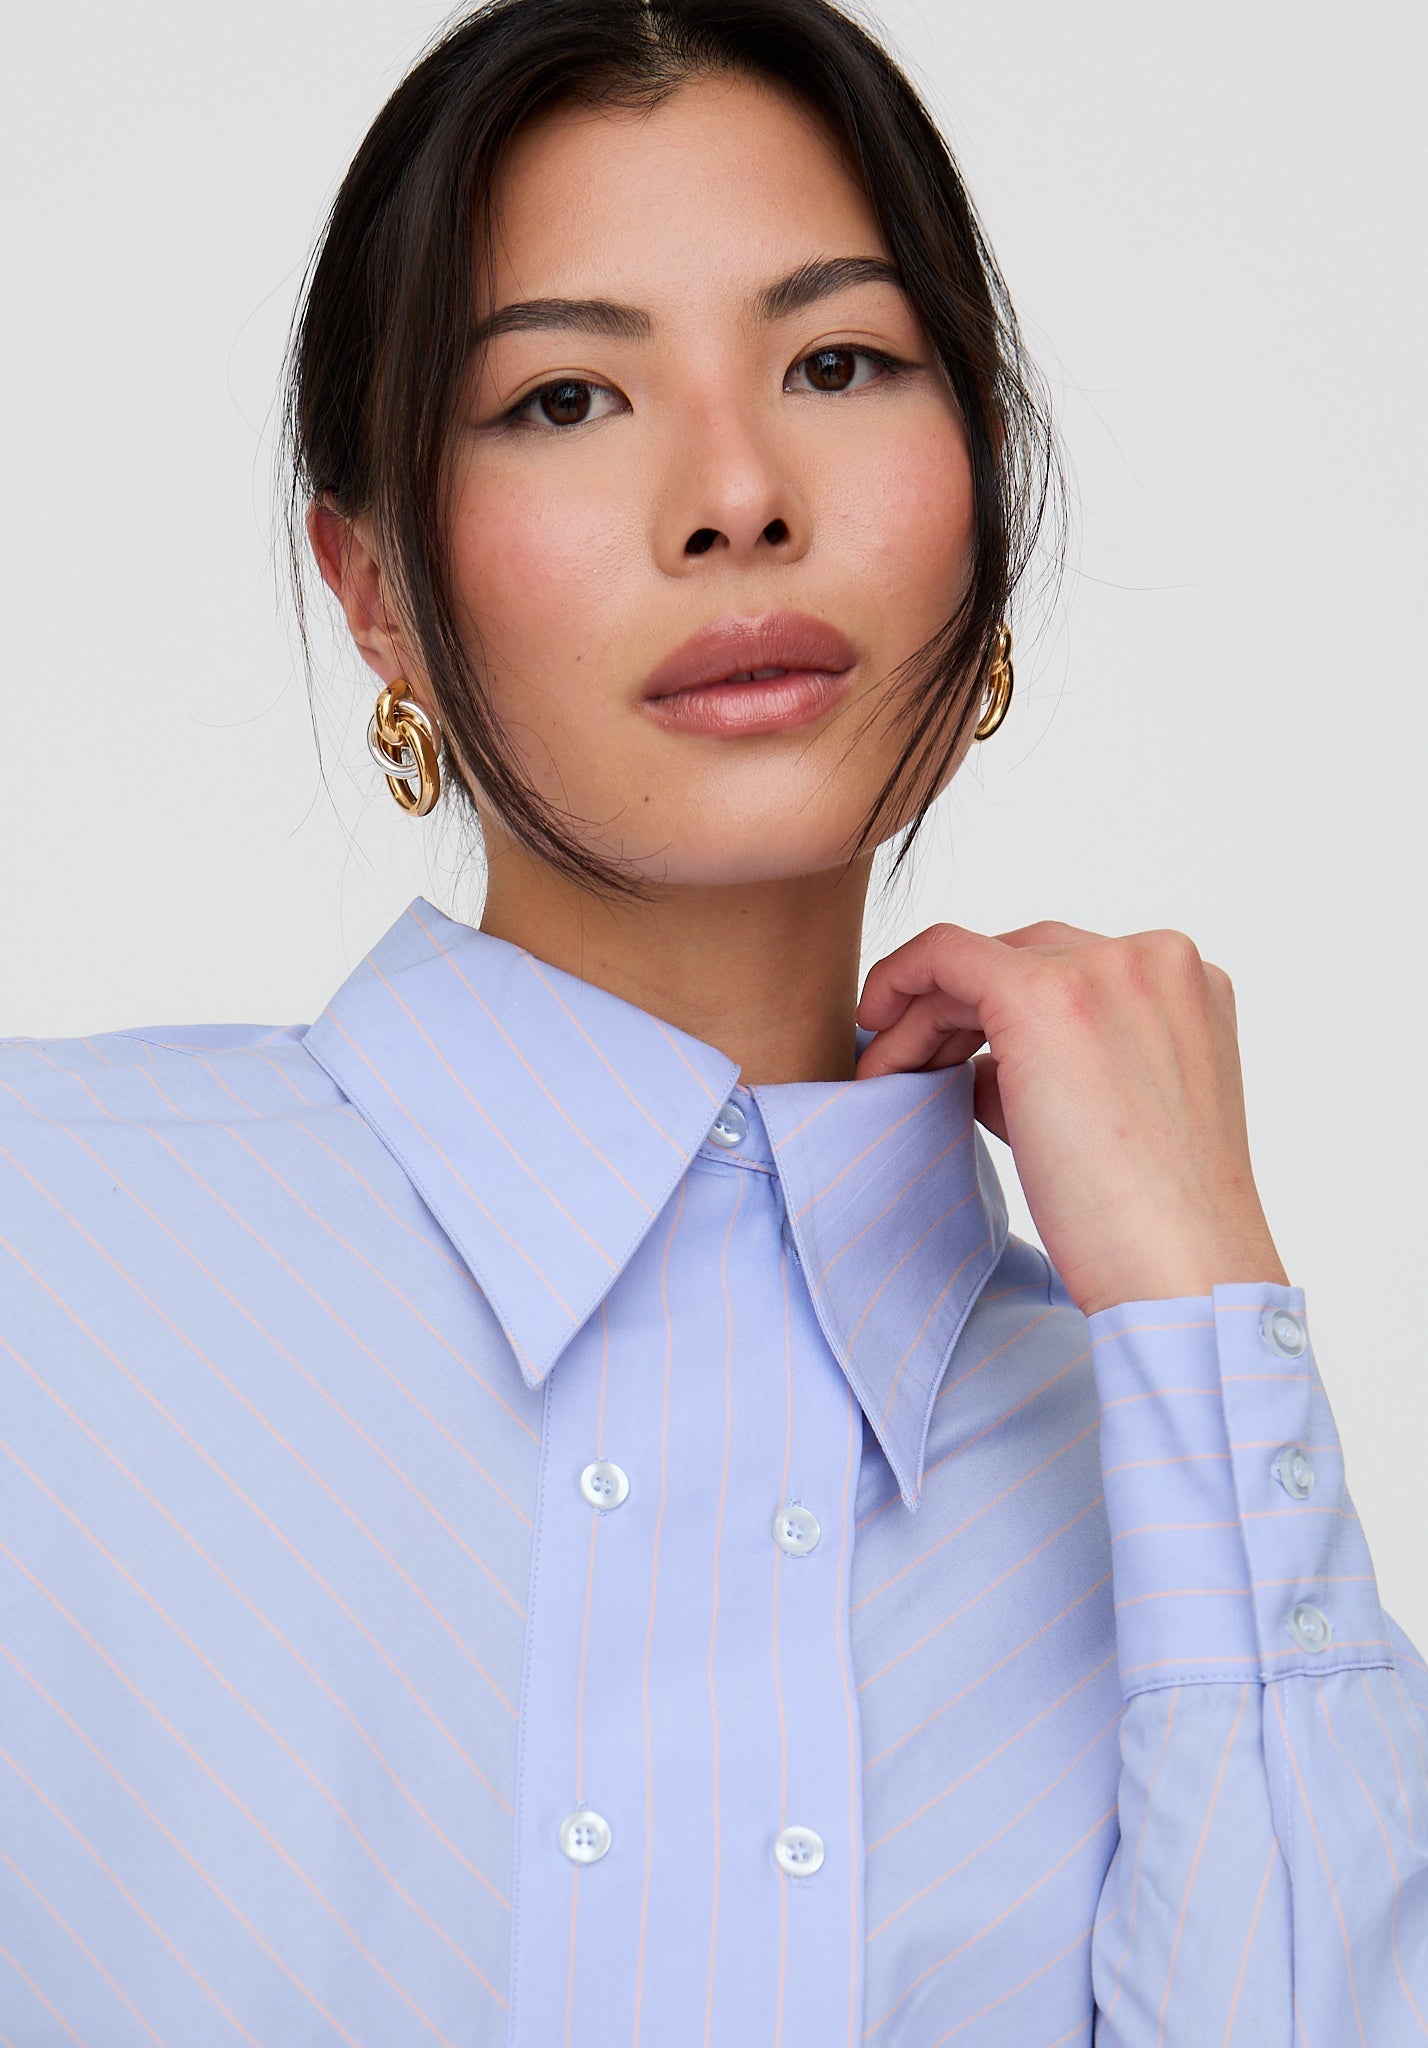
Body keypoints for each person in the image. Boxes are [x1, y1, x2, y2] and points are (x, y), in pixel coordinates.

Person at [2, 0, 1423, 2040]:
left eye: (839, 364)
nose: (736, 494)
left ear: (984, 500)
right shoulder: (38, 1260)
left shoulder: (1166, 1473)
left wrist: (1208, 1313)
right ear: (376, 585)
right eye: (567, 397)